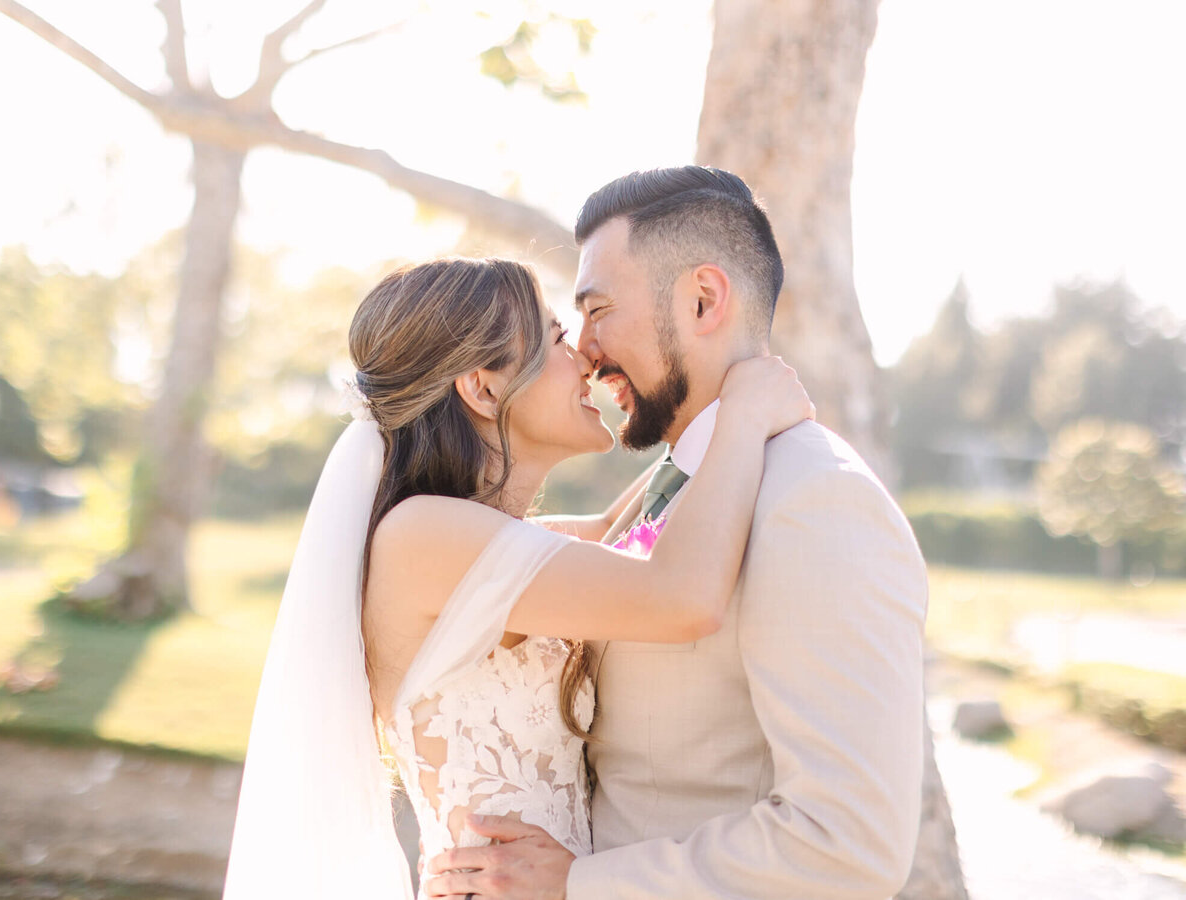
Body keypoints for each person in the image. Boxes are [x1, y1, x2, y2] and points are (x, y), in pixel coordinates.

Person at [221, 256, 815, 899]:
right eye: (559, 339)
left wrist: (711, 390)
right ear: (482, 389)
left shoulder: (506, 550)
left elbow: (648, 515)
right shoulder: (422, 538)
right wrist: (748, 419)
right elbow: (684, 597)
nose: (588, 358)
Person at [425, 167, 929, 900]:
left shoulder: (816, 503)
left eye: (597, 311)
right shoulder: (674, 488)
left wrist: (583, 885)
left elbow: (847, 845)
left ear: (702, 300)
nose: (585, 351)